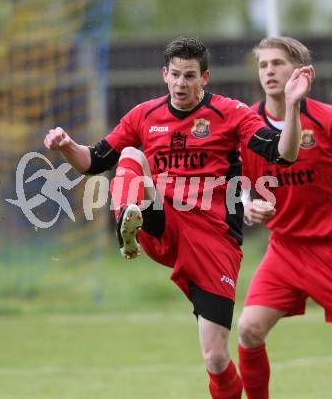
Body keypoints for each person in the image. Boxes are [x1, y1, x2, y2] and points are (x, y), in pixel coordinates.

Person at [44, 36, 313, 399]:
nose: (181, 84)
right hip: (164, 223)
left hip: (215, 240)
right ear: (164, 75)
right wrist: (65, 145)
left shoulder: (230, 113)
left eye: (189, 76)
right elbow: (93, 160)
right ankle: (128, 222)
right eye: (175, 75)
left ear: (205, 78)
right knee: (131, 157)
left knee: (216, 357)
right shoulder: (144, 115)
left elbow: (284, 154)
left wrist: (293, 107)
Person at [237, 36, 332, 399]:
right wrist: (244, 202)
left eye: (278, 63)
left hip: (327, 246)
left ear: (301, 72)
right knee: (248, 330)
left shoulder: (325, 120)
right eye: (263, 65)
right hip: (285, 250)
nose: (269, 71)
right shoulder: (246, 125)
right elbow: (236, 179)